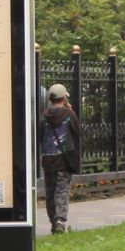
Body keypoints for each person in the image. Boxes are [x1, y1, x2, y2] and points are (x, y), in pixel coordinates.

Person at [38, 83, 81, 233]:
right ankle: (60, 220)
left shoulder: (44, 115)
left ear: (50, 98)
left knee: (50, 191)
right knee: (62, 189)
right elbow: (77, 132)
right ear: (64, 97)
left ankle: (53, 221)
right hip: (63, 159)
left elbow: (40, 135)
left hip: (48, 160)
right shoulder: (69, 114)